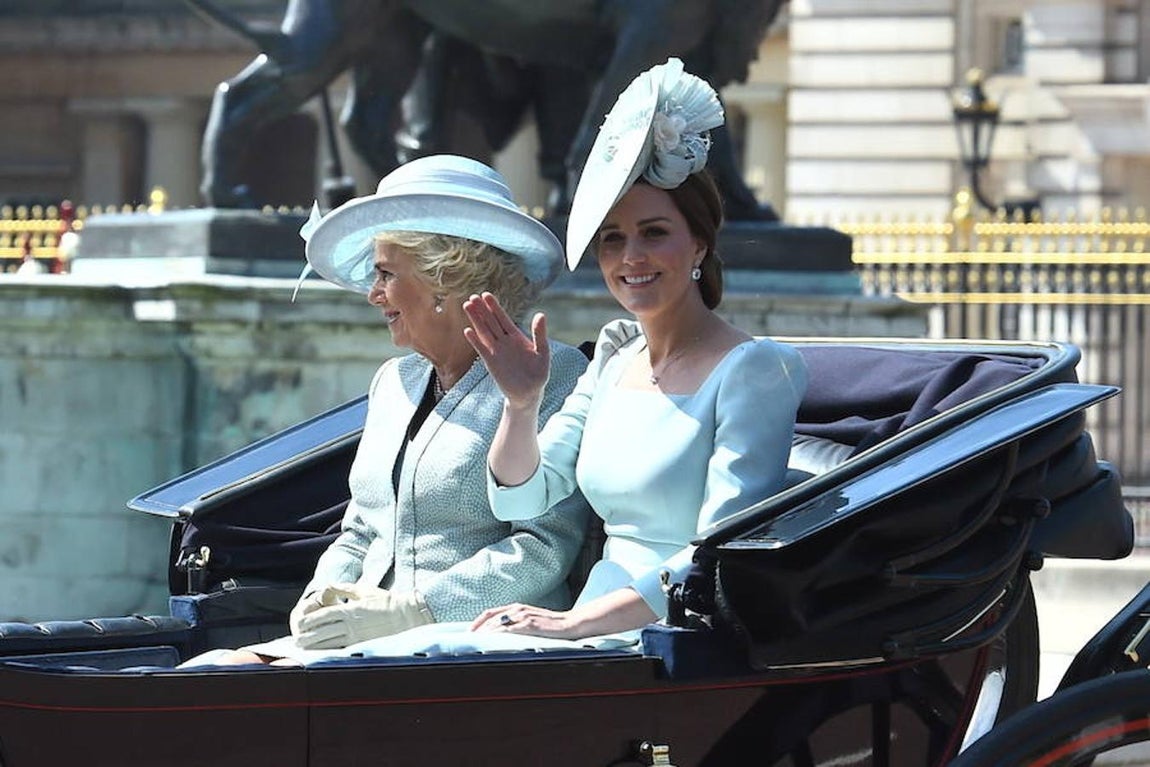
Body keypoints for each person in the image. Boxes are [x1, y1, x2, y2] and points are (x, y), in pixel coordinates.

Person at [181, 154, 591, 665]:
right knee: (209, 672)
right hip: (365, 640)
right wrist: (320, 598)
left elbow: (545, 546)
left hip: (479, 643)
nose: (373, 294)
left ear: (445, 278)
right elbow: (359, 530)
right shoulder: (394, 381)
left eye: (385, 275)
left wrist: (415, 611)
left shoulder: (554, 373)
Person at [462, 58, 808, 641]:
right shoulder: (615, 358)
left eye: (654, 233)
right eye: (612, 240)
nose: (630, 259)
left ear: (698, 243)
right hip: (589, 624)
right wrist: (521, 404)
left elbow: (717, 554)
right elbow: (522, 498)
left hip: (677, 634)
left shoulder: (754, 369)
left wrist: (575, 625)